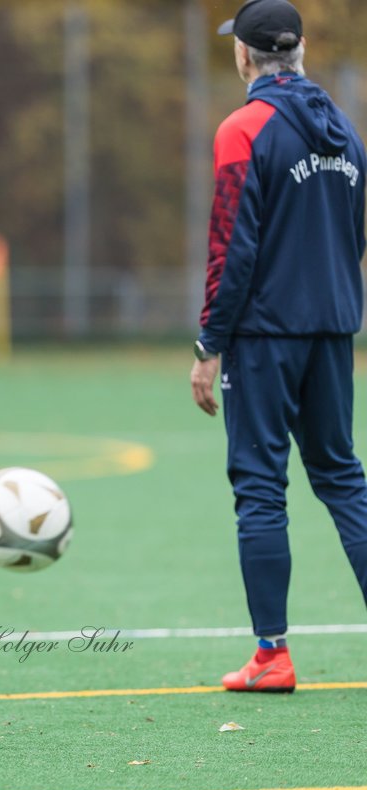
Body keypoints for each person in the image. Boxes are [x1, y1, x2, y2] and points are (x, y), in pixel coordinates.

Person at [191, 0, 367, 693]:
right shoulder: (346, 131)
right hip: (332, 330)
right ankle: (272, 653)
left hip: (265, 337)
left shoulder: (244, 128)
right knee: (342, 476)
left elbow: (230, 245)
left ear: (246, 56)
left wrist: (211, 341)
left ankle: (272, 655)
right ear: (296, 52)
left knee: (260, 488)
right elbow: (354, 234)